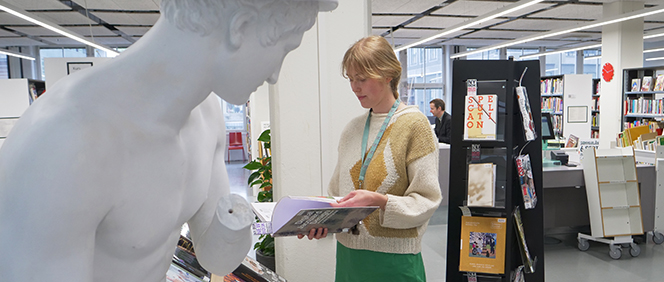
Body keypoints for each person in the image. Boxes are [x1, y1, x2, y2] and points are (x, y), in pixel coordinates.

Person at [0, 1, 336, 281]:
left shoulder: (205, 114)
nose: (276, 73)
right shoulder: (64, 141)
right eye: (284, 47)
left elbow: (216, 259)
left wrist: (233, 223)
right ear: (241, 28)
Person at [298, 36, 442, 282]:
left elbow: (426, 201)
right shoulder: (352, 129)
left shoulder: (415, 126)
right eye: (351, 79)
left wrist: (380, 201)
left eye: (362, 79)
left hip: (395, 262)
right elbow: (337, 193)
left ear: (388, 75)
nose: (355, 87)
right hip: (349, 258)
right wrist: (323, 222)